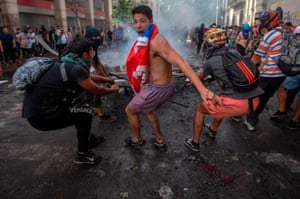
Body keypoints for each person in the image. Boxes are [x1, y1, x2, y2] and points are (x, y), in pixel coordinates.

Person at [124, 5, 217, 152]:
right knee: (148, 110)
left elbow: (181, 62)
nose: (138, 25)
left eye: (142, 21)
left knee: (130, 110)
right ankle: (159, 140)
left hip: (160, 88)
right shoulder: (145, 39)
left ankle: (137, 140)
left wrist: (202, 90)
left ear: (151, 21)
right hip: (155, 86)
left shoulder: (156, 41)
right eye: (135, 22)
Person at [22, 38, 120, 165]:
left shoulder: (69, 63)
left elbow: (89, 77)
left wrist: (109, 80)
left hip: (36, 111)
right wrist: (113, 90)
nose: (94, 53)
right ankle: (83, 155)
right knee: (85, 113)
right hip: (40, 116)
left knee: (78, 108)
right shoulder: (76, 69)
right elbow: (97, 90)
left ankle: (88, 139)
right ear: (85, 54)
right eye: (92, 51)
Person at [184, 28, 264, 152]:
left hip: (237, 105)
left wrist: (190, 76)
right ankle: (212, 130)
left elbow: (199, 78)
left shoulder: (211, 61)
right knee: (220, 98)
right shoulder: (235, 52)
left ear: (210, 44)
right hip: (254, 100)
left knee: (201, 108)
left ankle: (194, 143)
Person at [243, 10, 286, 131]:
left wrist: (246, 71)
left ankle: (250, 119)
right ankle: (254, 116)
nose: (262, 23)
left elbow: (257, 57)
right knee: (265, 97)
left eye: (264, 21)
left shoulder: (270, 35)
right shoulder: (287, 32)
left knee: (254, 96)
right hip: (281, 74)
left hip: (268, 73)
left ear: (273, 20)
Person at [85, 26, 117, 122]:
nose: (98, 39)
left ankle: (88, 110)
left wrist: (106, 75)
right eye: (95, 37)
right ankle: (101, 115)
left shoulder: (93, 47)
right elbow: (92, 65)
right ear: (89, 37)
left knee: (90, 94)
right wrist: (106, 79)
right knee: (95, 92)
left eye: (99, 36)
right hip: (82, 73)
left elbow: (97, 62)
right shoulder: (86, 48)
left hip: (87, 71)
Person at [270, 26, 300, 121]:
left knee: (282, 86)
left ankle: (282, 109)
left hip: (295, 71)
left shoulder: (292, 41)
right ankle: (294, 120)